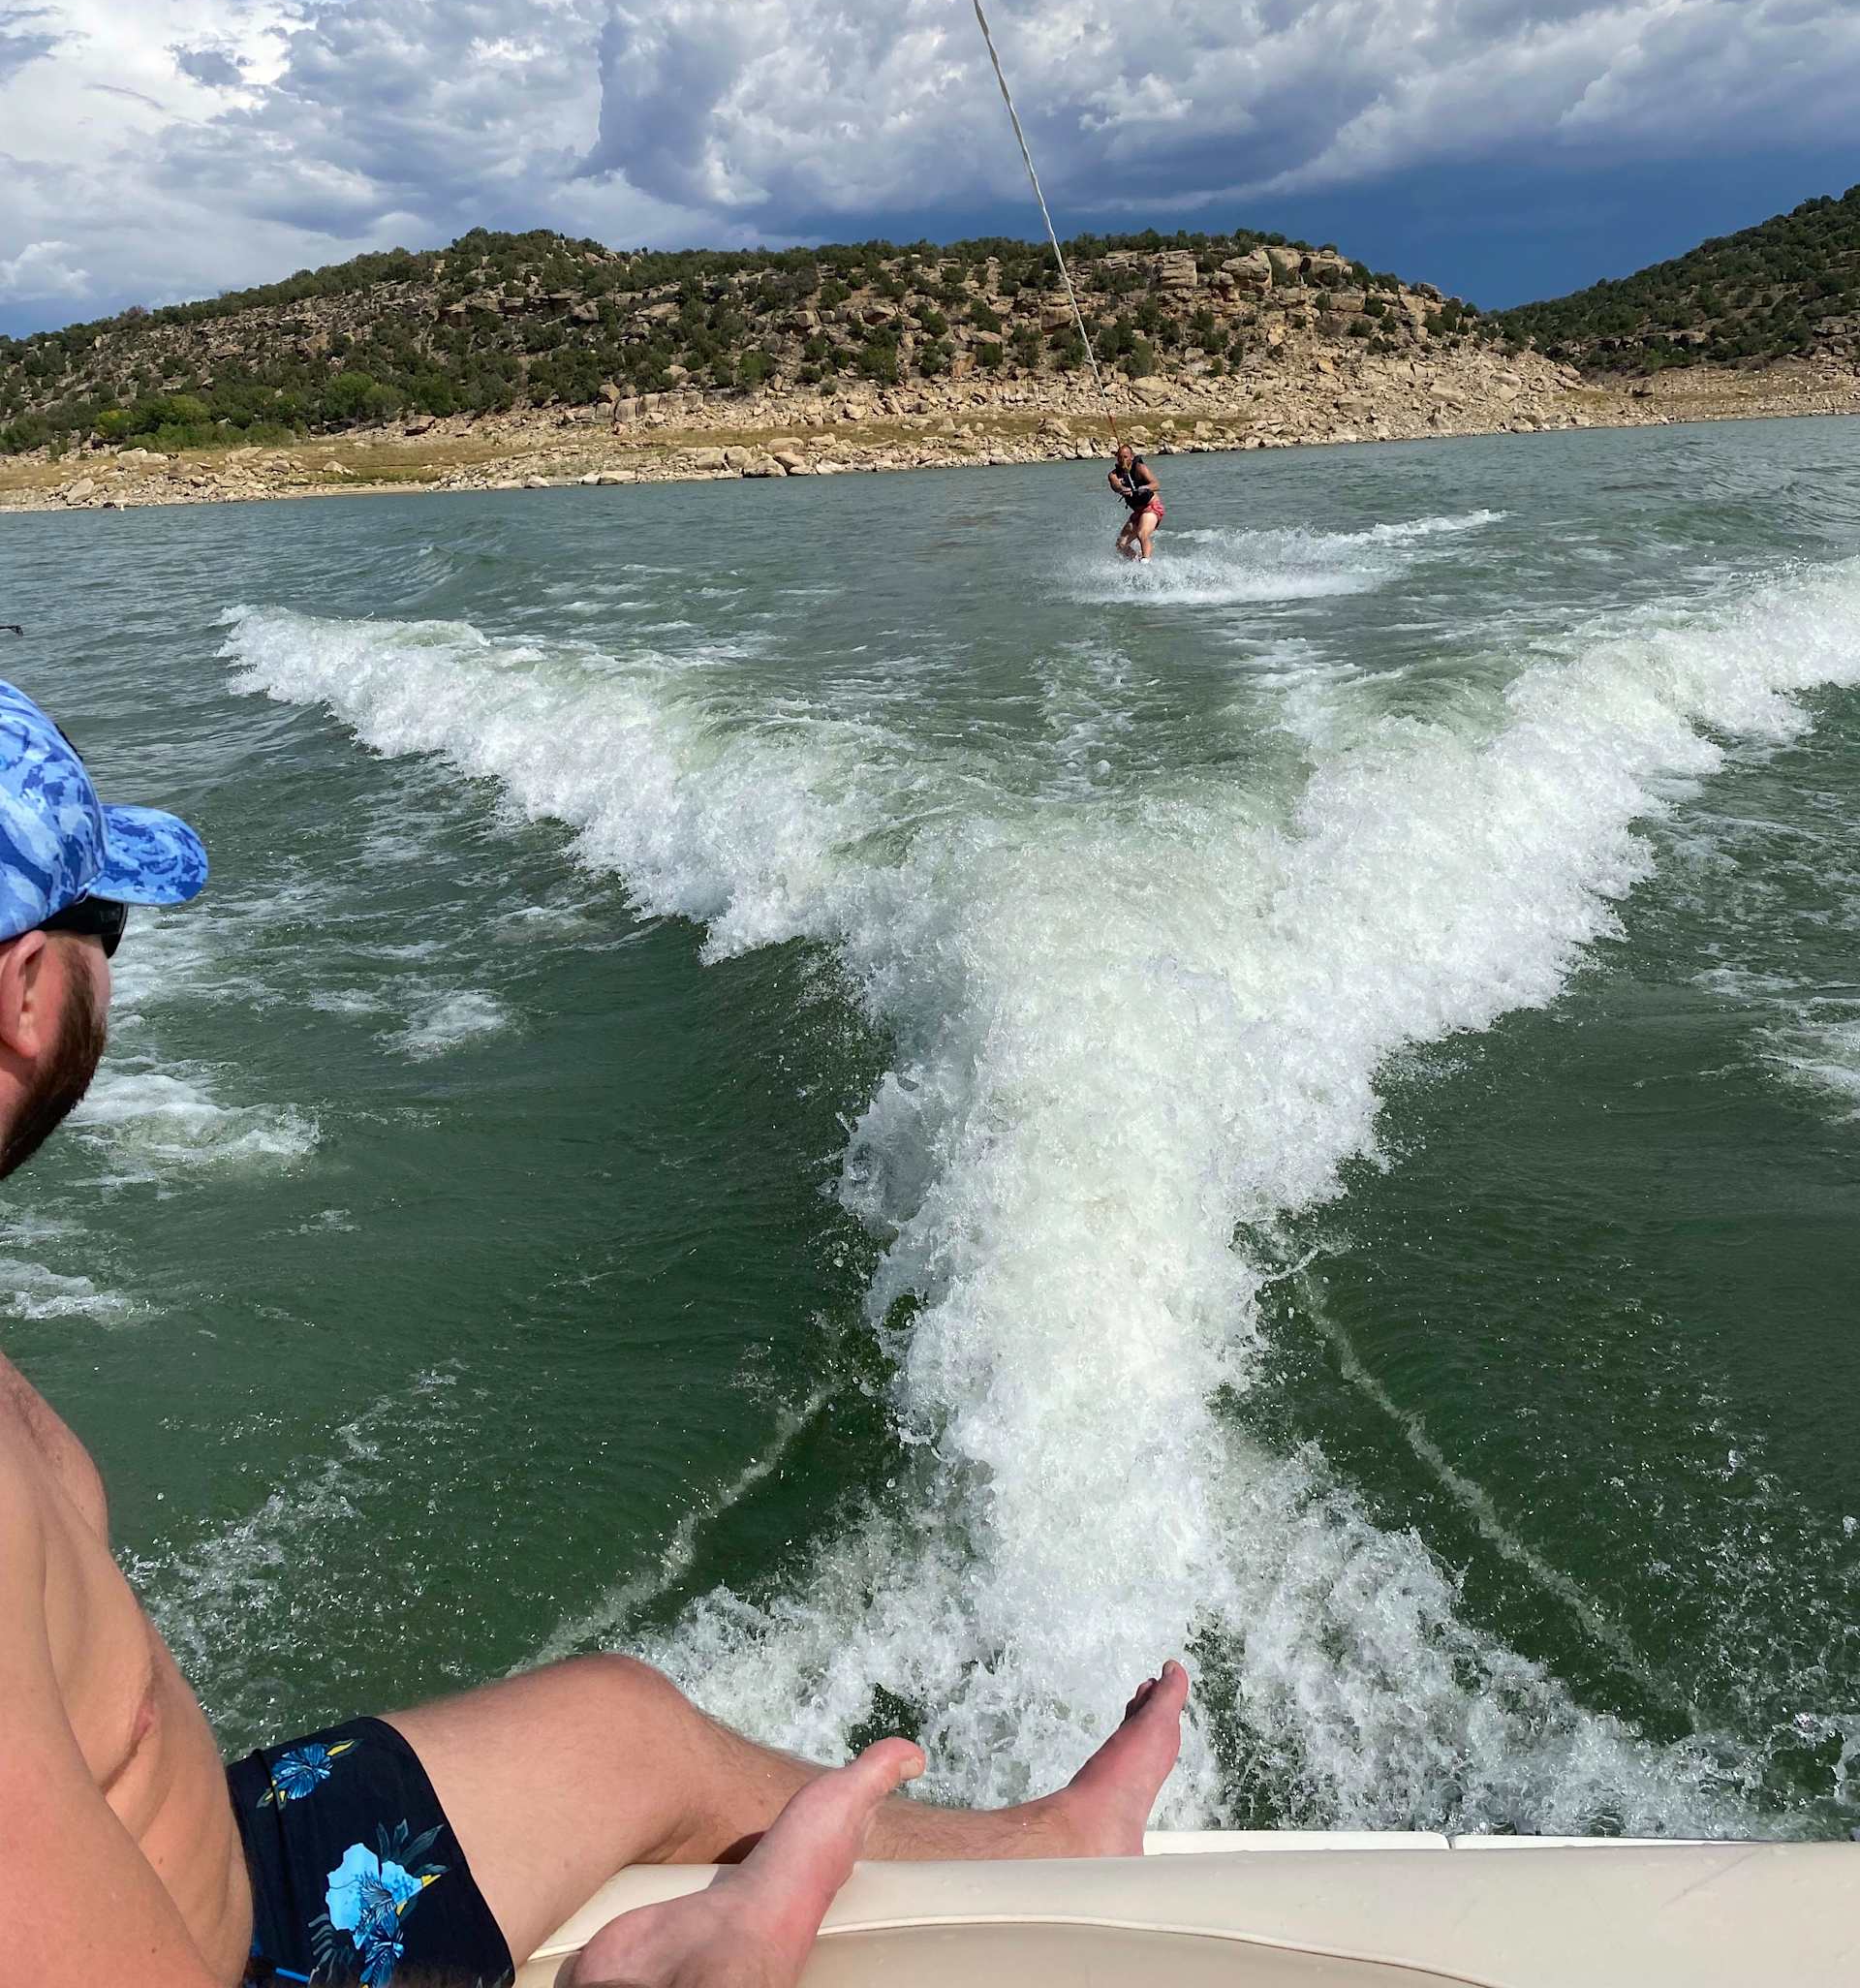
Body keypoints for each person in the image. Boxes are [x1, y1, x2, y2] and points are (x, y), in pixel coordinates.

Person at [0, 677, 1190, 1988]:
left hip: (211, 1862)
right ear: (24, 990)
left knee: (630, 1728)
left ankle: (1056, 1841)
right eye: (104, 921)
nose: (116, 964)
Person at [1108, 443, 1163, 561]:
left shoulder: (1140, 468)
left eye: (1125, 457)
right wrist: (1123, 489)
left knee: (1142, 533)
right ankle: (1137, 561)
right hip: (1138, 513)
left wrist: (1144, 488)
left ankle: (1146, 561)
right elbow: (1115, 486)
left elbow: (1156, 484)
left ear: (1131, 457)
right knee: (1120, 544)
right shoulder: (1113, 475)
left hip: (1151, 507)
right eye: (1120, 457)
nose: (1122, 460)